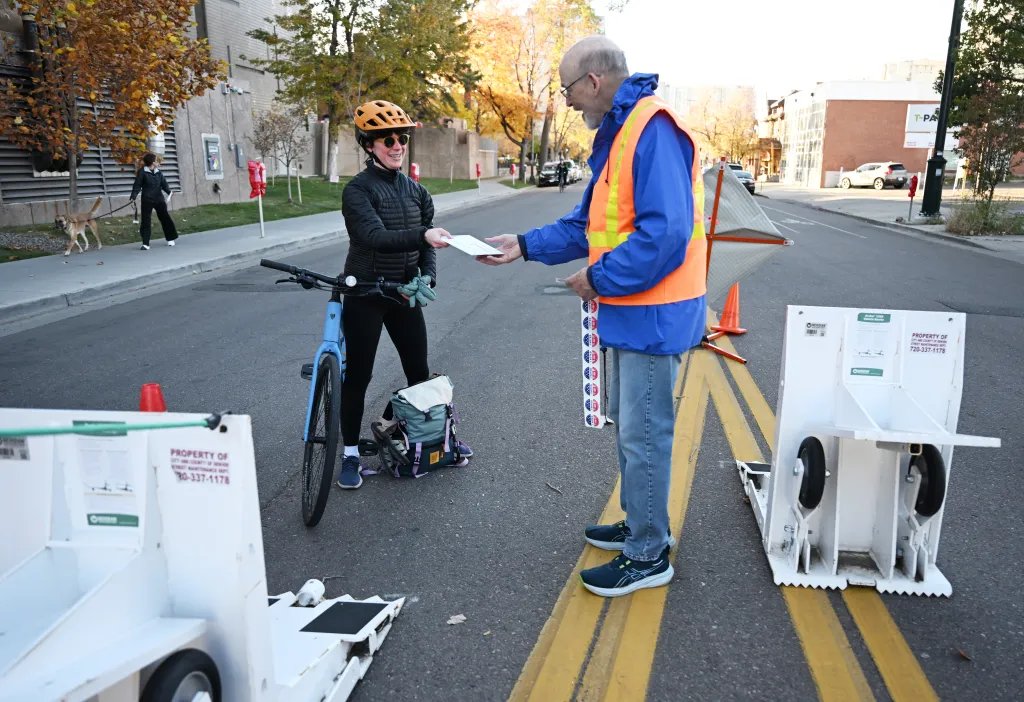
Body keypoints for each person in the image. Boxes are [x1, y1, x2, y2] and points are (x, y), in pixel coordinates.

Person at [479, 36, 706, 597]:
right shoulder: (622, 134)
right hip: (634, 311)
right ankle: (641, 524)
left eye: (568, 89)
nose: (569, 101)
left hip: (653, 313)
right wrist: (524, 244)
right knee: (634, 430)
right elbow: (588, 225)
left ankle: (649, 553)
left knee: (645, 434)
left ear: (595, 82)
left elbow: (667, 233)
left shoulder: (650, 129)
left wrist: (599, 278)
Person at [338, 99, 471, 490]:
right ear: (369, 145)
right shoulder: (357, 191)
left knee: (418, 372)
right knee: (358, 376)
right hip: (365, 293)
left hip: (404, 295)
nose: (397, 145)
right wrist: (422, 235)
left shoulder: (417, 192)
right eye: (387, 140)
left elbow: (426, 246)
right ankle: (349, 454)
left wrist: (428, 276)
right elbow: (374, 237)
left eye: (401, 138)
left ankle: (424, 438)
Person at [129, 152, 178, 250]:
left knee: (165, 218)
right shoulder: (142, 172)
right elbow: (137, 185)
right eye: (156, 160)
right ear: (152, 162)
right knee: (146, 221)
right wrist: (133, 196)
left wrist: (169, 192)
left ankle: (170, 239)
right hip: (147, 200)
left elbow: (164, 185)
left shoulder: (159, 172)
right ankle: (145, 243)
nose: (158, 162)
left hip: (159, 199)